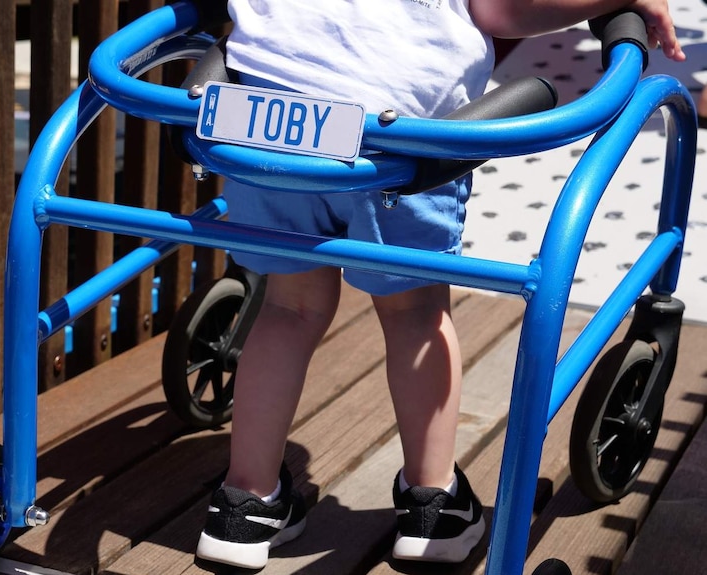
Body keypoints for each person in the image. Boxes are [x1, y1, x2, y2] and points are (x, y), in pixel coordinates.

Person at [194, 0, 685, 570]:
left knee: (288, 308)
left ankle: (245, 505)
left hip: (258, 116)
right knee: (415, 315)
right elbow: (501, 11)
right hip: (396, 134)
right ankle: (433, 506)